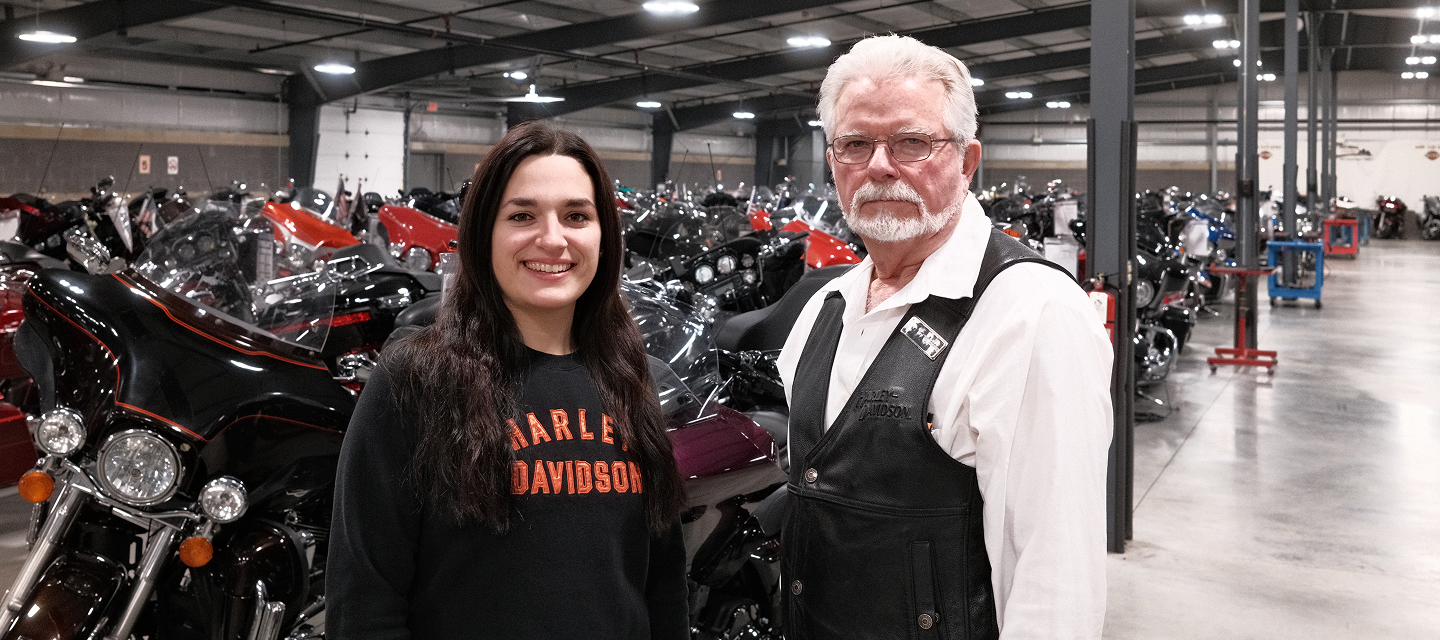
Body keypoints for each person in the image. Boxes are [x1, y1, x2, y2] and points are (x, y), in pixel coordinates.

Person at [775, 36, 1113, 639]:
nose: (880, 165)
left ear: (967, 160)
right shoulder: (823, 309)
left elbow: (1053, 577)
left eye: (912, 142)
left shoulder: (1031, 312)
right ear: (833, 162)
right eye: (855, 144)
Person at [328, 121, 690, 640]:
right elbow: (363, 603)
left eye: (576, 216)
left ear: (604, 235)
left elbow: (661, 581)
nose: (552, 239)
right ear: (484, 234)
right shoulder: (414, 379)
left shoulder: (631, 378)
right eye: (522, 215)